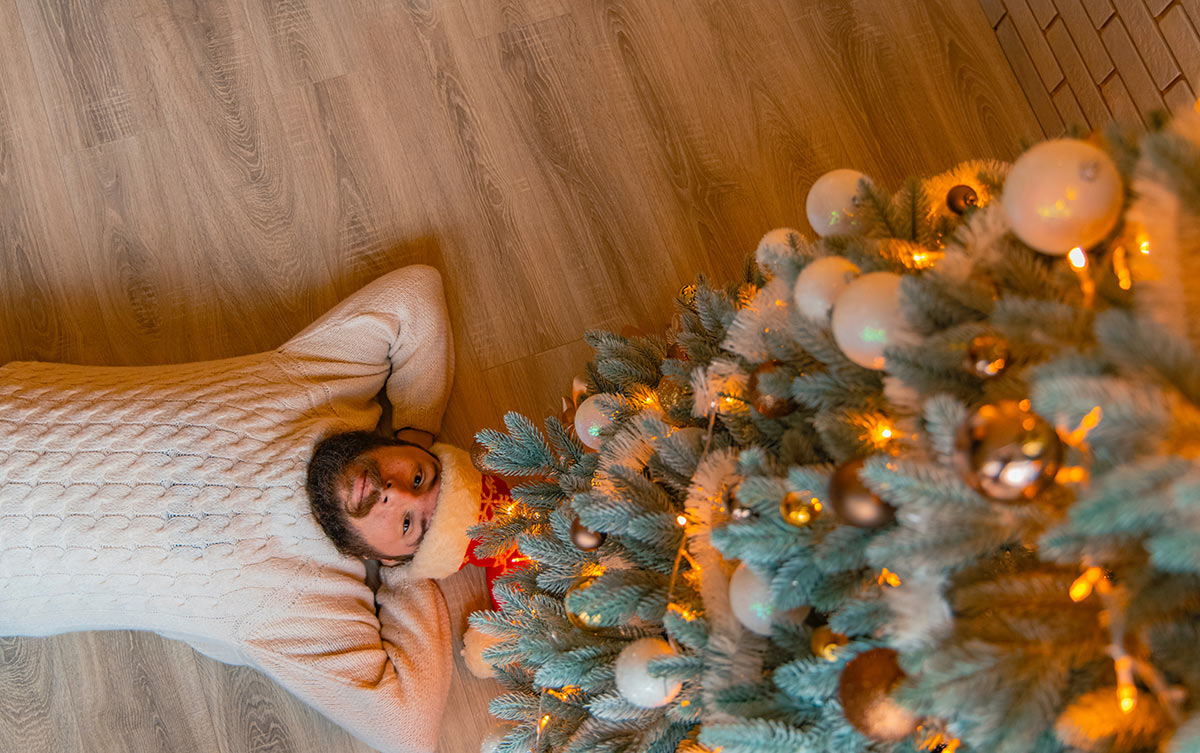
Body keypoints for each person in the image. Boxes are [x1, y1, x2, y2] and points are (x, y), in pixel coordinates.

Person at [0, 265, 470, 753]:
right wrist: (418, 427)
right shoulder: (324, 389)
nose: (395, 494)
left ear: (393, 558)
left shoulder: (306, 608)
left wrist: (411, 575)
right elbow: (415, 293)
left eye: (410, 523)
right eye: (419, 476)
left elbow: (408, 732)